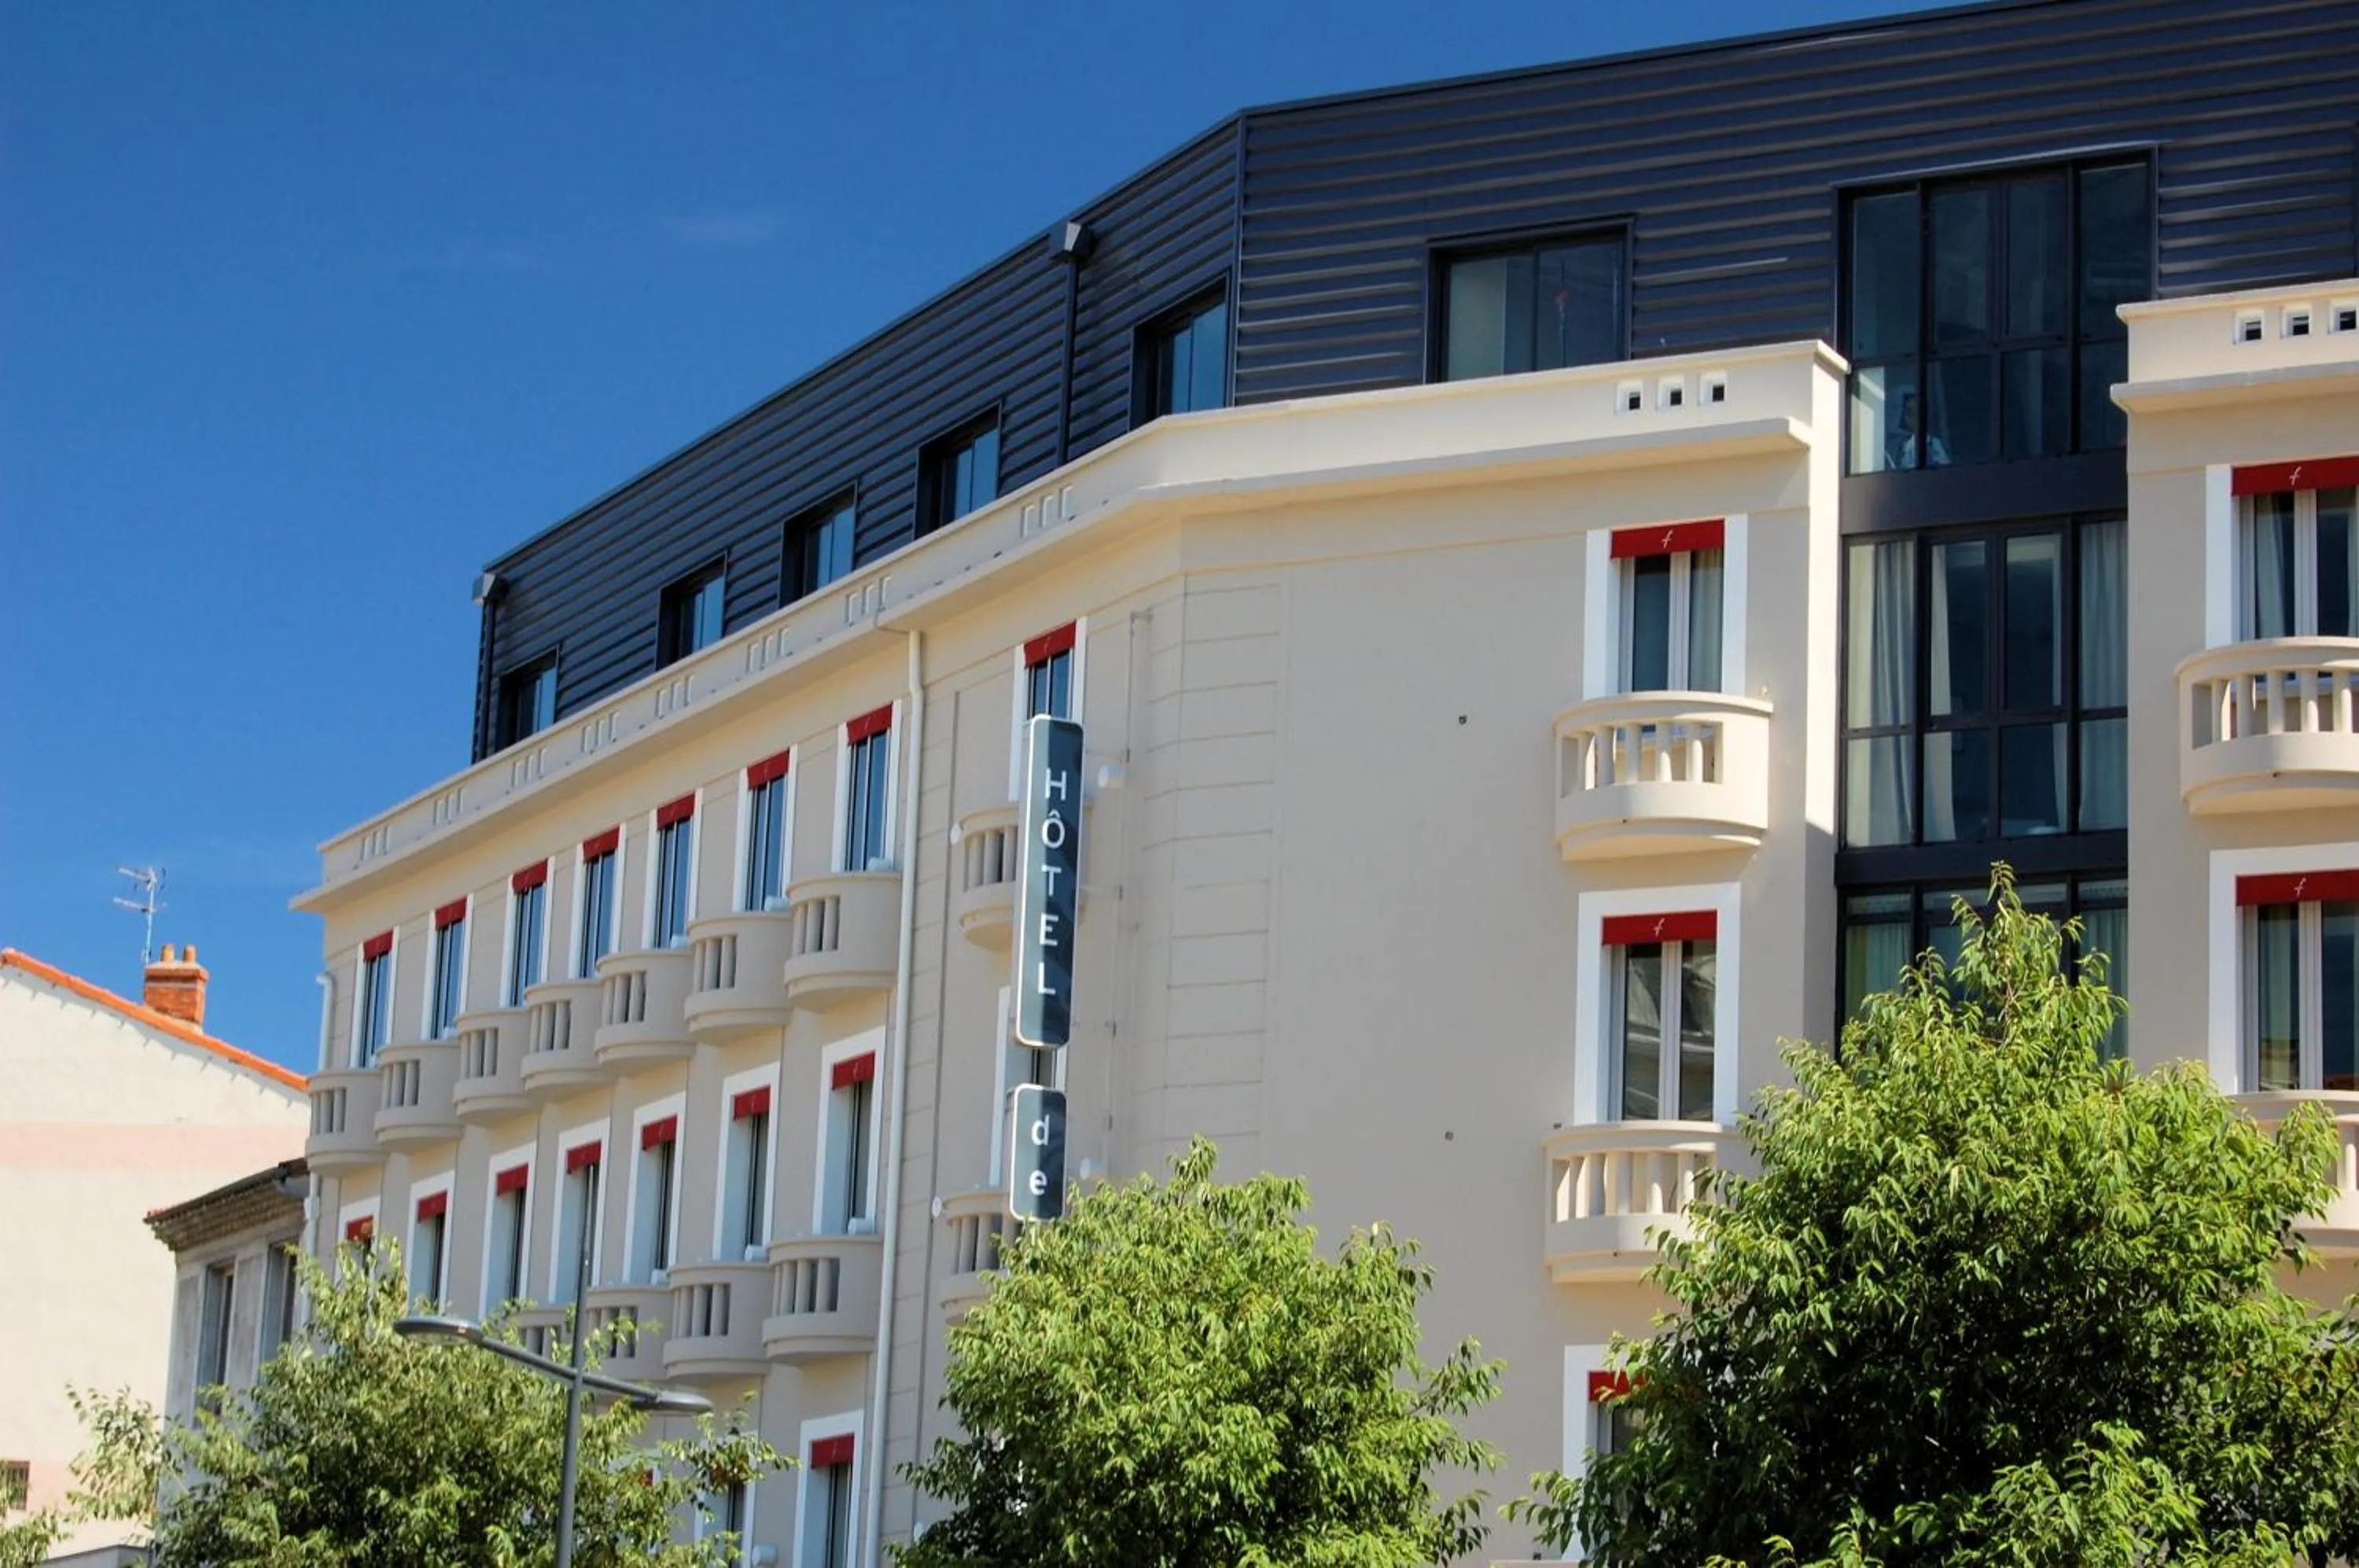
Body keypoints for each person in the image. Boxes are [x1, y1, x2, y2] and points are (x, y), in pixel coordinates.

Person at [1889, 388, 1950, 470]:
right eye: (1909, 412)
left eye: (1915, 413)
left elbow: (1944, 466)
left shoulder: (1932, 442)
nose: (1913, 417)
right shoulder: (1902, 445)